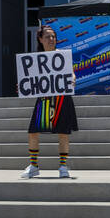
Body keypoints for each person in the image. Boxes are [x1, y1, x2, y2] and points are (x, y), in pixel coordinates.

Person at [22, 25, 79, 179]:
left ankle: (63, 166)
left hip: (62, 98)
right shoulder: (36, 58)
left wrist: (72, 79)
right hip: (44, 99)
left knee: (63, 133)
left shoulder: (62, 55)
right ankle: (33, 166)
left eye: (53, 36)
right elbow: (30, 80)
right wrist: (24, 85)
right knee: (33, 132)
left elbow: (71, 73)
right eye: (47, 36)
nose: (51, 39)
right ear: (40, 39)